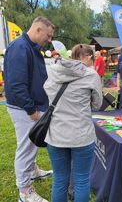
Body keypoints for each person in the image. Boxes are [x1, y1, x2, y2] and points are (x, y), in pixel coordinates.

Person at [4, 16, 54, 202]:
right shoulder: (20, 47)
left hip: (29, 106)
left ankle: (32, 171)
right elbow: (16, 85)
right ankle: (24, 192)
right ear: (38, 30)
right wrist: (31, 110)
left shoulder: (31, 48)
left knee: (30, 144)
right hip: (24, 108)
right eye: (48, 36)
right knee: (26, 147)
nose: (49, 40)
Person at [44, 44, 102, 202]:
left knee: (60, 180)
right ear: (89, 57)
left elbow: (47, 95)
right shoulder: (91, 75)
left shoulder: (52, 71)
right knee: (82, 180)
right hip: (81, 135)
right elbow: (97, 105)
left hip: (56, 134)